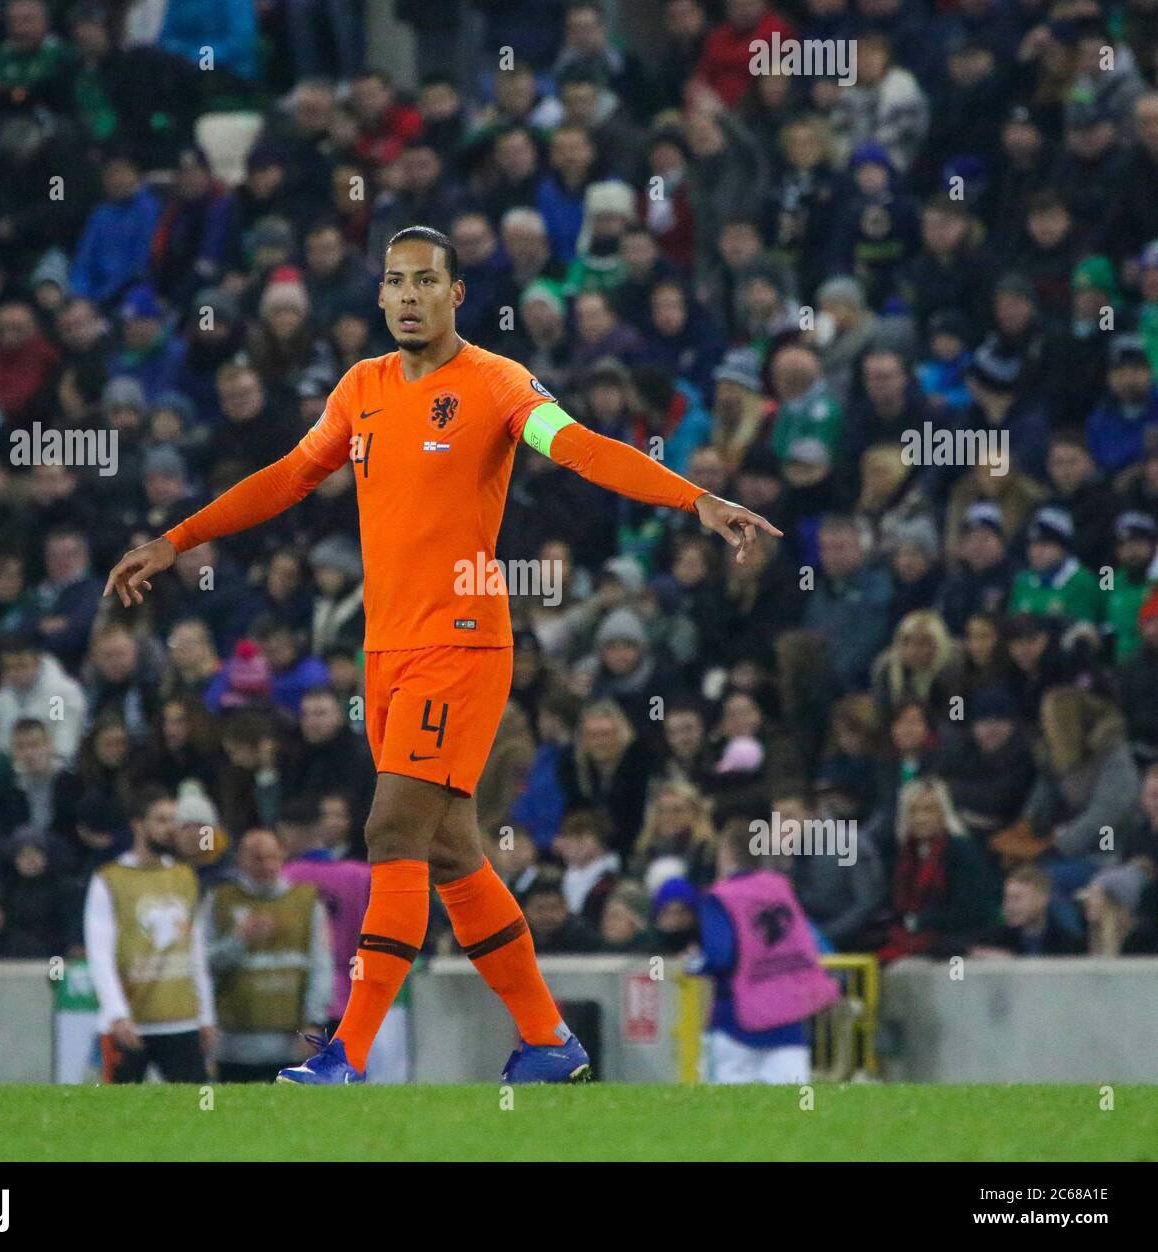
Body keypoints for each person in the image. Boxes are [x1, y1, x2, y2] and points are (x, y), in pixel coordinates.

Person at [103, 224, 782, 1085]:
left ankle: (345, 1054)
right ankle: (548, 1041)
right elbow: (287, 476)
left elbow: (577, 447)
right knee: (454, 852)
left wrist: (696, 500)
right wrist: (178, 538)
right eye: (396, 281)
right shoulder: (362, 387)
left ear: (458, 295)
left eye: (428, 280)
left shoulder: (497, 384)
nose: (411, 295)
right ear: (380, 296)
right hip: (385, 650)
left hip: (461, 644)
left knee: (389, 828)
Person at [82, 787, 215, 1084]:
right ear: (138, 825)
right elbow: (100, 954)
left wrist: (205, 1015)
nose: (170, 829)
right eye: (161, 820)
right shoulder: (109, 880)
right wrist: (116, 1013)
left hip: (180, 1020)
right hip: (129, 1022)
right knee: (117, 1114)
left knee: (197, 1112)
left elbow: (196, 950)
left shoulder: (185, 876)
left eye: (173, 821)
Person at [689, 824, 840, 1085]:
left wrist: (693, 963)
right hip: (789, 1020)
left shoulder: (720, 897)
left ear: (727, 855)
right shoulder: (781, 889)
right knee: (791, 1110)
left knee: (727, 1113)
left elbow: (720, 956)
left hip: (736, 1021)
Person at [201, 829, 334, 1082]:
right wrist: (239, 941)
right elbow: (202, 964)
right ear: (240, 861)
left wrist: (314, 1023)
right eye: (257, 858)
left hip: (291, 1043)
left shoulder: (306, 902)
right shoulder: (219, 901)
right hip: (234, 1046)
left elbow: (321, 966)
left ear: (282, 857)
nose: (266, 865)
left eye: (272, 857)